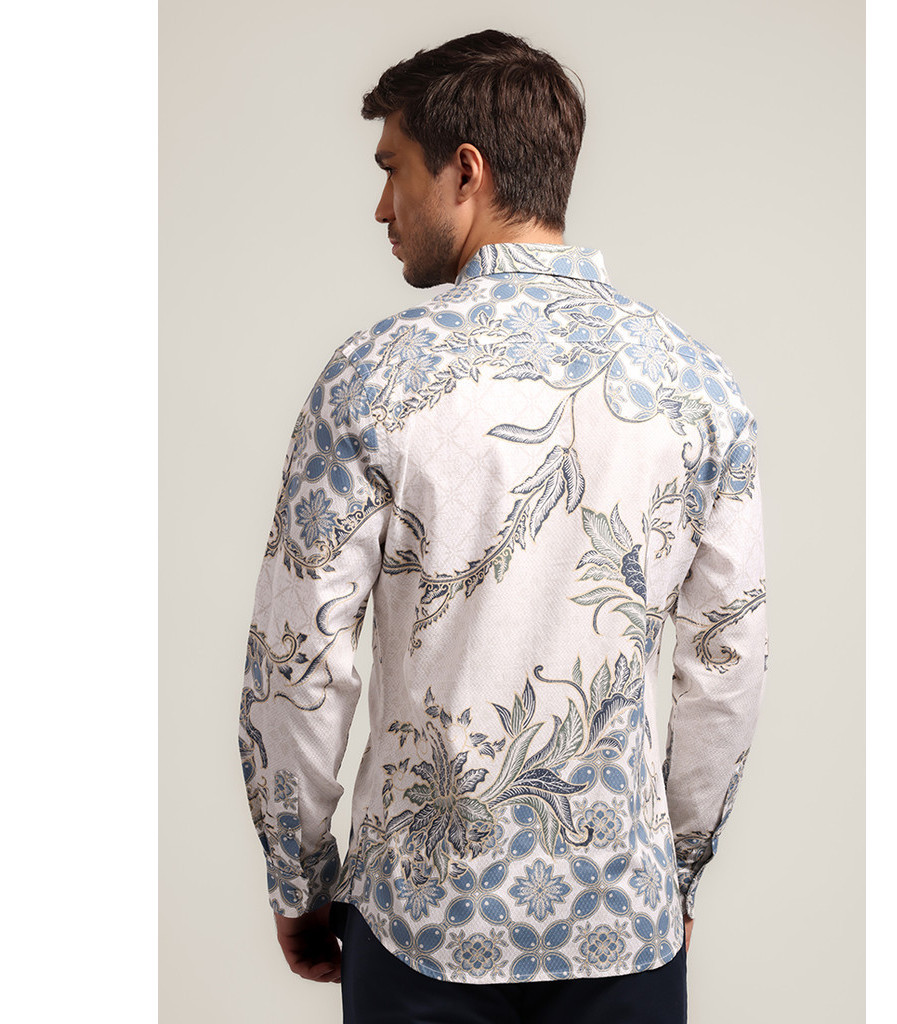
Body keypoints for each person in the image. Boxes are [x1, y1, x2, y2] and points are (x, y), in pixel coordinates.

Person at [239, 28, 768, 1024]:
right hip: (624, 921)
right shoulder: (698, 386)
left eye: (394, 168)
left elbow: (297, 664)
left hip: (417, 924)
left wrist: (298, 876)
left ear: (466, 172)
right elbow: (726, 667)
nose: (382, 206)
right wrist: (678, 872)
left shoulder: (371, 377)